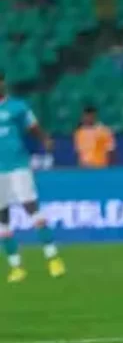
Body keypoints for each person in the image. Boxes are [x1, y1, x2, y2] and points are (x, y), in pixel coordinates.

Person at [0, 74, 65, 283]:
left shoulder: (17, 107)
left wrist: (45, 139)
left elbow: (33, 126)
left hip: (18, 165)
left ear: (3, 83)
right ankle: (16, 266)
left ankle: (53, 258)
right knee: (2, 218)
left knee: (31, 208)